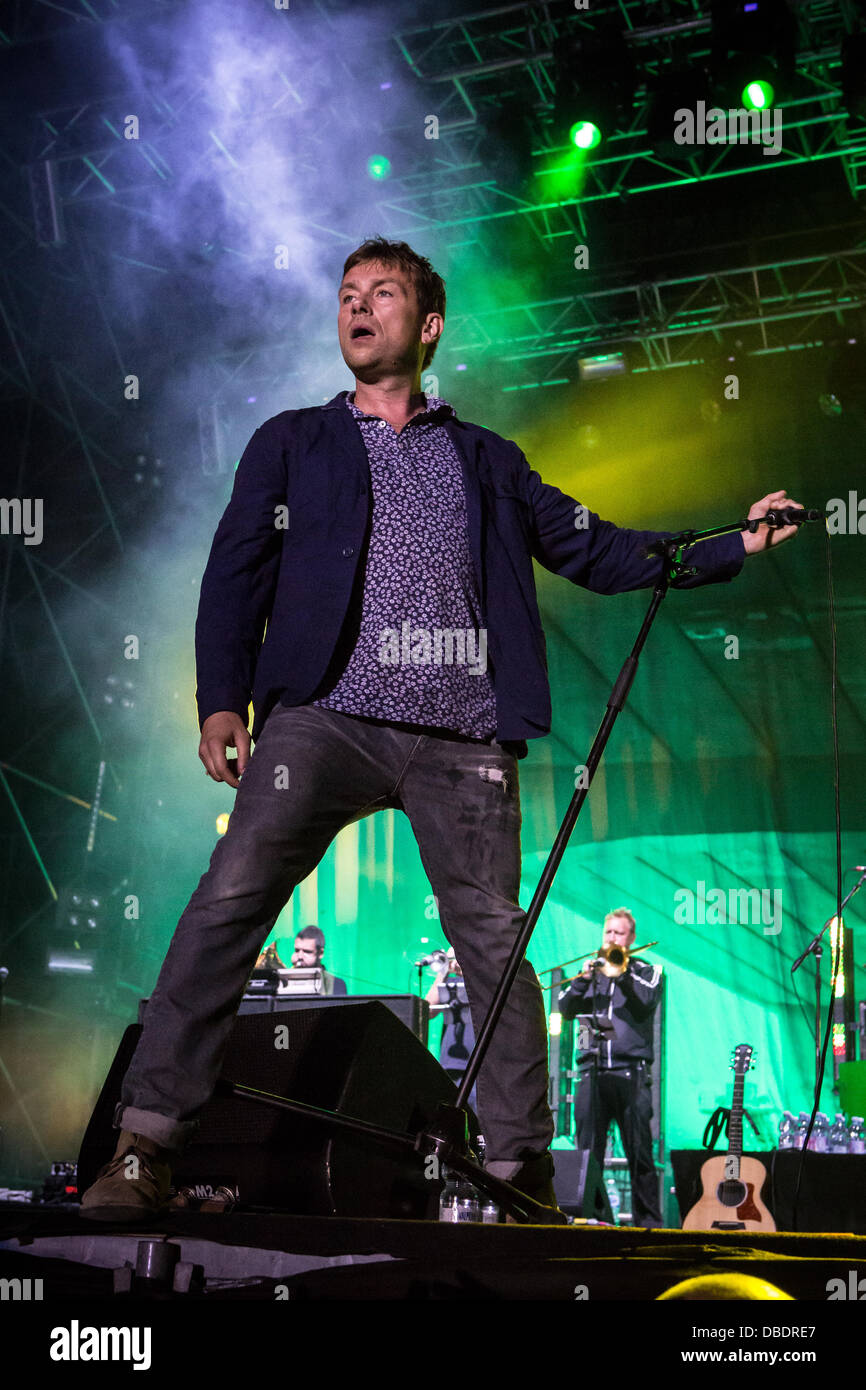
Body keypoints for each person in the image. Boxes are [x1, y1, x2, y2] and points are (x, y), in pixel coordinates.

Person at [80, 234, 802, 1223]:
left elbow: (595, 549)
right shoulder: (292, 440)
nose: (355, 306)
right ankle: (144, 1147)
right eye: (345, 294)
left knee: (495, 947)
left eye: (380, 293)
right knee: (226, 903)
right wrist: (220, 699)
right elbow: (234, 572)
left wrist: (730, 542)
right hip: (320, 717)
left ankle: (517, 1173)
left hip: (459, 736)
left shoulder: (488, 460)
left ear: (426, 327)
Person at [558, 908, 663, 1227]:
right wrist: (582, 982)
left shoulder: (647, 969)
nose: (612, 938)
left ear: (631, 938)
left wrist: (624, 973)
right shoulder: (589, 974)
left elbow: (646, 1002)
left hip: (630, 1075)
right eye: (608, 933)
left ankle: (649, 1227)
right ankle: (593, 1218)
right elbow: (564, 1007)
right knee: (587, 1155)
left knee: (640, 1156)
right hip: (592, 1074)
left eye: (618, 933)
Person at [425, 948, 477, 1110]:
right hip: (452, 1062)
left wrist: (468, 971)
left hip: (479, 1061)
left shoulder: (483, 982)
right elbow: (428, 1010)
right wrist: (443, 972)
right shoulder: (450, 982)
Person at [290, 925, 347, 996]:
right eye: (297, 950)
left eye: (307, 951)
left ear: (320, 953)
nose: (300, 956)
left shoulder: (336, 984)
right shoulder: (282, 981)